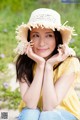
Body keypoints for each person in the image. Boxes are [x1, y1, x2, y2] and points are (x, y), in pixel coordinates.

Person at [14, 8, 80, 120]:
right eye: (36, 35)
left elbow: (49, 106)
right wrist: (40, 66)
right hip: (34, 111)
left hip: (64, 113)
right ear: (29, 38)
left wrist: (49, 66)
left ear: (57, 38)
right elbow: (31, 104)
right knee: (30, 114)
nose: (42, 43)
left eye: (49, 35)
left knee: (48, 116)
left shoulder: (70, 63)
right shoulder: (23, 61)